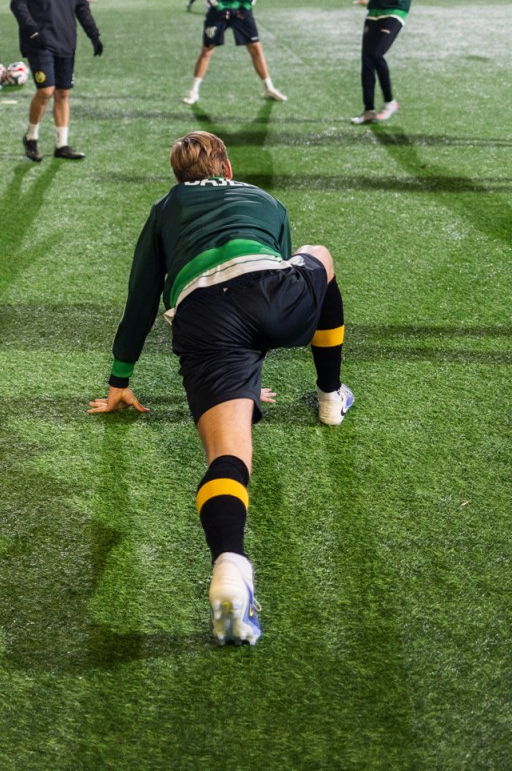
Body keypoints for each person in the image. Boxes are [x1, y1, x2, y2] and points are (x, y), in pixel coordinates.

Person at [88, 130, 354, 646]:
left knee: (228, 458)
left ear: (178, 176)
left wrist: (120, 380)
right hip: (271, 294)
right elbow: (272, 270)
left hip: (204, 318)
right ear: (227, 168)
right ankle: (329, 398)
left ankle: (231, 566)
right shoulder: (264, 199)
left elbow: (141, 298)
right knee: (317, 254)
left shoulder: (166, 207)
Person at [10, 0, 103, 162]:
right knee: (46, 90)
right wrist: (32, 31)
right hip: (38, 42)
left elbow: (81, 8)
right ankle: (31, 137)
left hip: (66, 41)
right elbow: (17, 3)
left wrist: (94, 35)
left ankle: (61, 144)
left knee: (63, 93)